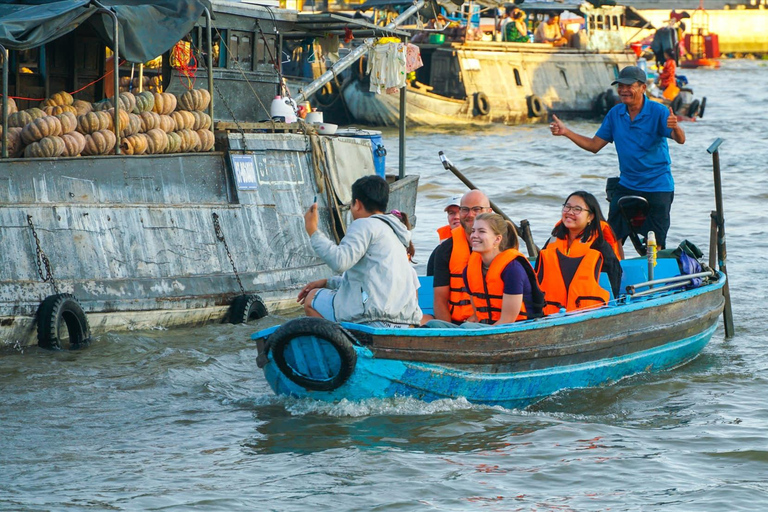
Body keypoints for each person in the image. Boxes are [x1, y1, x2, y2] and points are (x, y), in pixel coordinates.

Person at [549, 65, 685, 249]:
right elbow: (594, 146)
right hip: (628, 184)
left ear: (643, 87)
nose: (623, 90)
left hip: (658, 185)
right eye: (620, 86)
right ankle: (616, 273)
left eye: (629, 86)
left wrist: (675, 127)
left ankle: (653, 273)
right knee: (610, 237)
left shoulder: (659, 111)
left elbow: (680, 140)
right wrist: (566, 132)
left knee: (655, 243)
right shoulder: (615, 114)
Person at [297, 175, 422, 328]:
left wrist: (313, 231)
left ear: (357, 204)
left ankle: (343, 343)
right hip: (403, 322)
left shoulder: (364, 225)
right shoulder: (397, 232)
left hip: (373, 318)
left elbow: (339, 261)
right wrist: (327, 282)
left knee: (311, 299)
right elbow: (369, 280)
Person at [538, 191, 623, 305]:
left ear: (590, 217)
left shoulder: (600, 246)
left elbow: (613, 284)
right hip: (549, 311)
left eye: (577, 209)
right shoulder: (551, 242)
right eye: (567, 207)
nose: (570, 212)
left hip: (587, 310)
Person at [463, 213, 544, 325]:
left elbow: (507, 320)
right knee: (435, 325)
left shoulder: (512, 269)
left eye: (481, 231)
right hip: (485, 328)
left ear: (497, 239)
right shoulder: (469, 270)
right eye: (473, 231)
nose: (474, 236)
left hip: (514, 329)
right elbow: (477, 315)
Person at [430, 190, 492, 323]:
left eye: (477, 209)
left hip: (493, 322)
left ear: (489, 212)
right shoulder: (445, 250)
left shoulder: (501, 247)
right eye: (465, 210)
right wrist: (452, 333)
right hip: (456, 325)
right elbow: (440, 300)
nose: (470, 215)